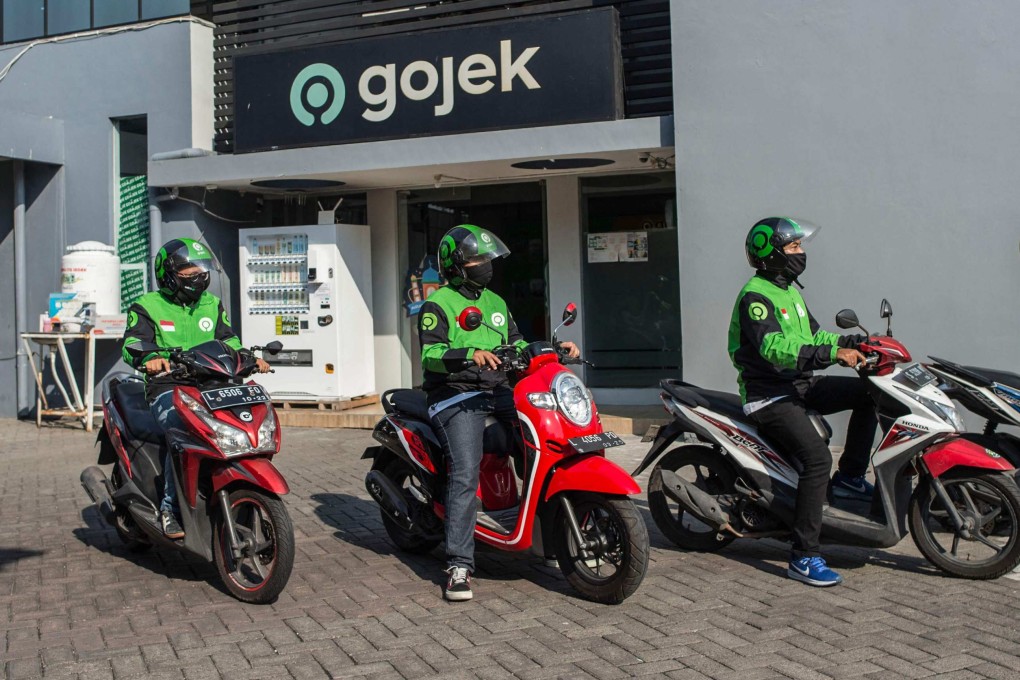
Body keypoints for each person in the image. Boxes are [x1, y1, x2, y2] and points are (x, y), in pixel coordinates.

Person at [418, 224, 579, 601]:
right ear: (456, 265)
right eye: (476, 259)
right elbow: (430, 355)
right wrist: (468, 354)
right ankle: (459, 564)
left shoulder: (495, 302)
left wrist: (553, 348)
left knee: (544, 446)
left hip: (498, 391)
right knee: (464, 472)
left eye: (487, 259)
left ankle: (545, 532)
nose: (485, 265)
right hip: (455, 395)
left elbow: (517, 343)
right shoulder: (438, 303)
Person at [728, 217, 878, 587]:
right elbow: (774, 349)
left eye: (800, 246)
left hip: (799, 385)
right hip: (768, 394)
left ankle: (852, 478)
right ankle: (804, 555)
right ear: (772, 253)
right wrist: (831, 354)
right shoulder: (756, 297)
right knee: (816, 459)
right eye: (794, 247)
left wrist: (853, 344)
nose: (801, 253)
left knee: (870, 395)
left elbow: (813, 334)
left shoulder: (789, 289)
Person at [122, 238, 270, 539]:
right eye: (188, 269)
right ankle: (170, 510)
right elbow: (131, 344)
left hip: (213, 385)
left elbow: (228, 341)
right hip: (168, 388)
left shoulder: (211, 304)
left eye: (200, 269)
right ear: (168, 272)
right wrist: (151, 358)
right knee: (182, 430)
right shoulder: (148, 305)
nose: (197, 275)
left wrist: (249, 358)